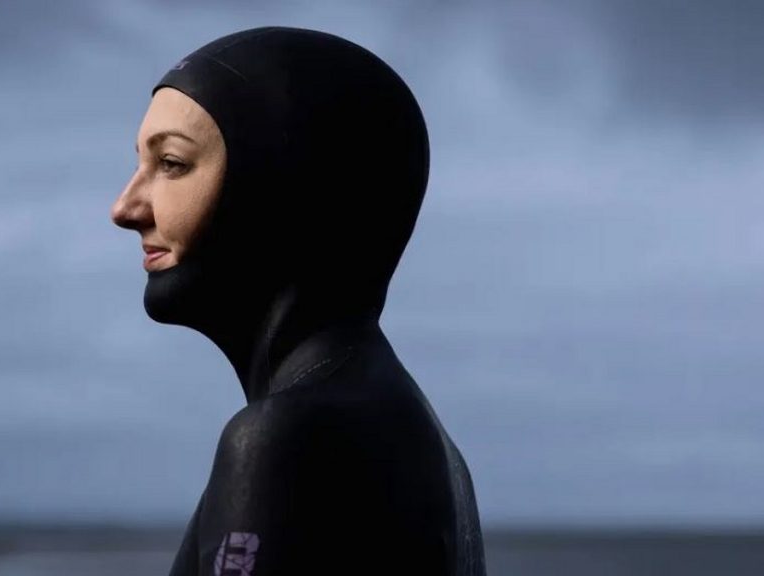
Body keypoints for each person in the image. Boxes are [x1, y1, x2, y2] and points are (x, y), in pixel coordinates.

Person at [111, 26, 486, 576]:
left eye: (171, 163)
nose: (125, 208)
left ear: (283, 183)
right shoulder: (431, 450)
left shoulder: (283, 439)